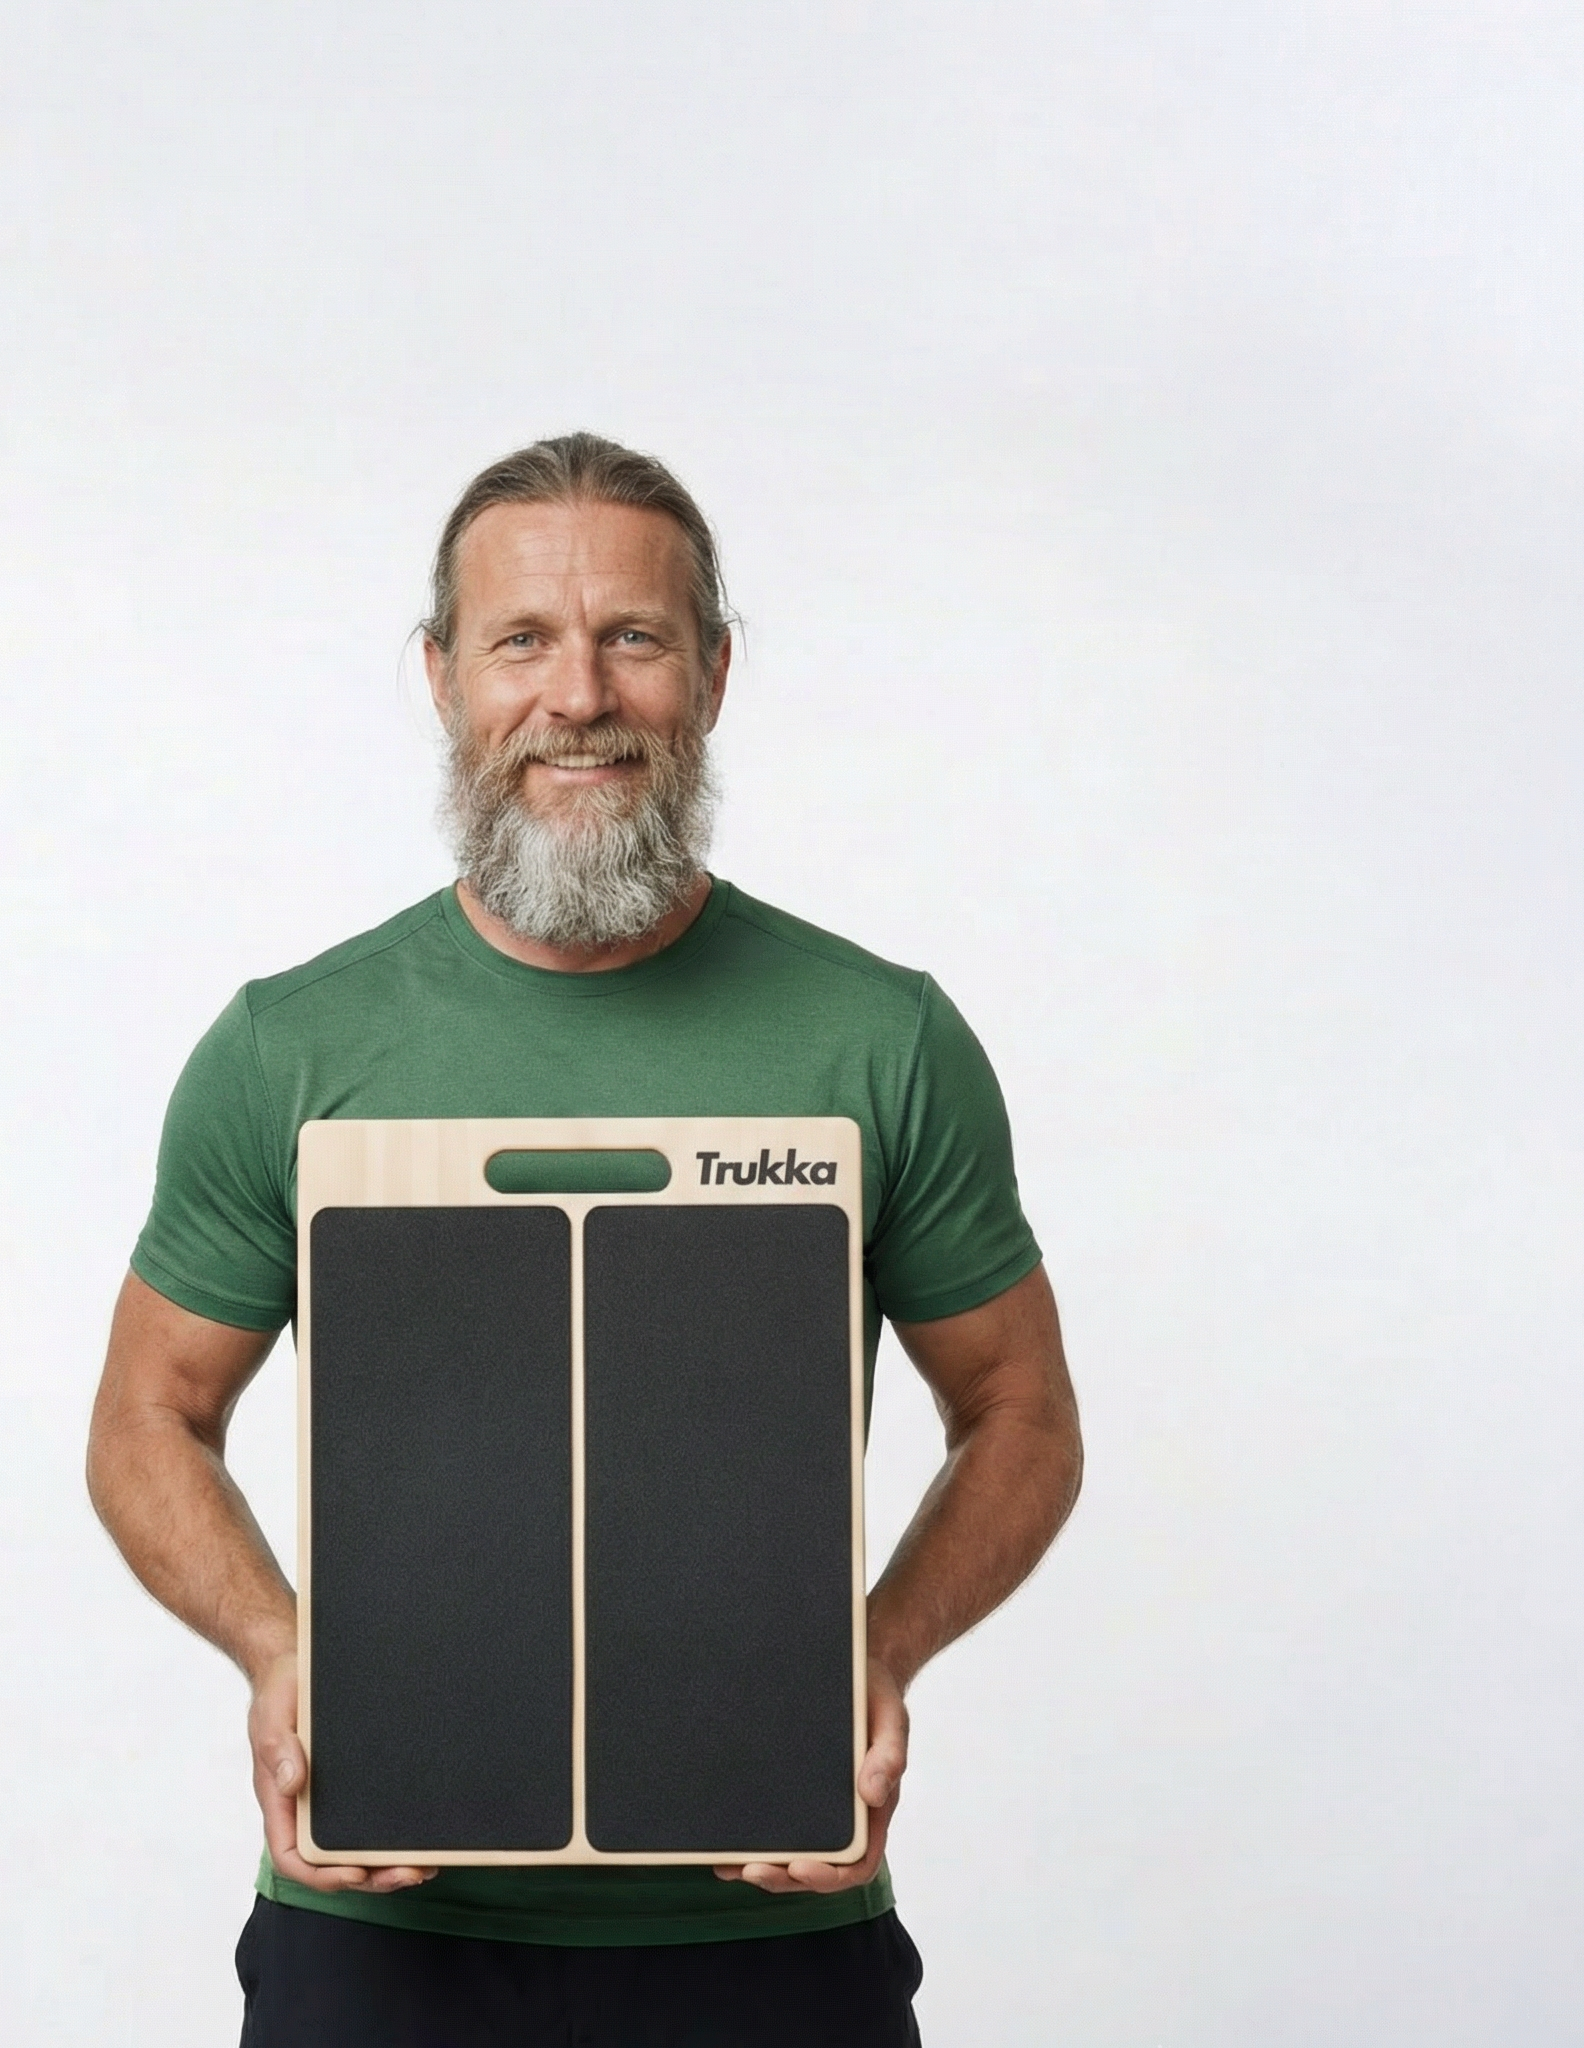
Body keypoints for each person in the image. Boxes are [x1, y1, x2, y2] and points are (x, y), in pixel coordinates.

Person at [86, 431, 1085, 2046]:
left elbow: (1022, 1409)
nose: (579, 696)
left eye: (633, 637)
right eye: (522, 642)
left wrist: (878, 1650)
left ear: (714, 673)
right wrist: (278, 1651)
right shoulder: (288, 1051)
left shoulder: (882, 1041)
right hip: (381, 1929)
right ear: (440, 677)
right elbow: (149, 1414)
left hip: (771, 1921)